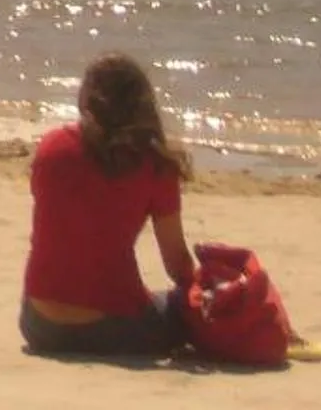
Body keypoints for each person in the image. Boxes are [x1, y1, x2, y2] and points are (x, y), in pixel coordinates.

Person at [20, 53, 196, 359]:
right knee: (176, 309)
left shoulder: (51, 147)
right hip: (115, 326)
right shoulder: (154, 165)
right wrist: (200, 295)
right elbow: (177, 263)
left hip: (39, 322)